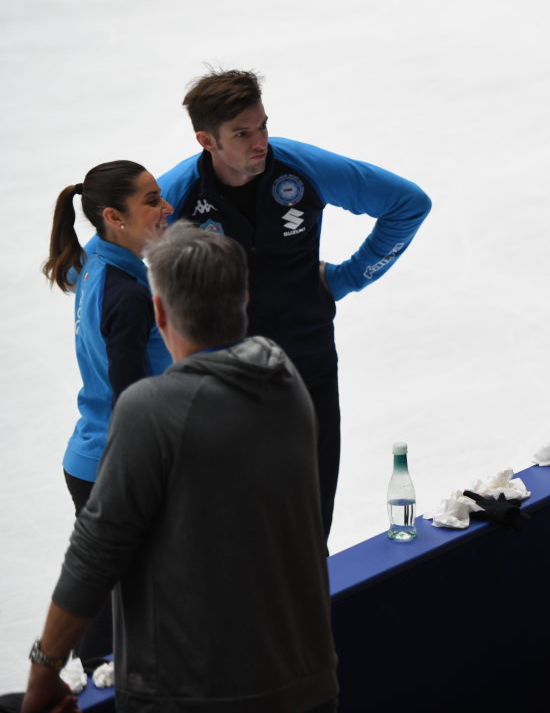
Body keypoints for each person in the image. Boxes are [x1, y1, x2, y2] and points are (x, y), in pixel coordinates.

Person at [22, 223, 339, 713]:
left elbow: (95, 552)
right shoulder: (285, 378)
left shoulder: (152, 409)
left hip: (194, 693)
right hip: (306, 682)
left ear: (160, 311)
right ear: (245, 297)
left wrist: (45, 669)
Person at [159, 69, 431, 538]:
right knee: (239, 532)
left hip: (309, 364)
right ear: (207, 140)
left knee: (309, 526)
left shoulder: (299, 168)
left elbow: (408, 204)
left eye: (262, 126)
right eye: (242, 134)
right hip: (224, 380)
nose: (260, 142)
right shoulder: (178, 194)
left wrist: (347, 278)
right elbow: (113, 263)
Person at [41, 161, 174, 665]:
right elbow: (131, 400)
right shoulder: (127, 294)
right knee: (117, 602)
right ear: (114, 217)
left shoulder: (95, 259)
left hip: (91, 460)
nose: (167, 208)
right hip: (113, 469)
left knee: (110, 593)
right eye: (153, 201)